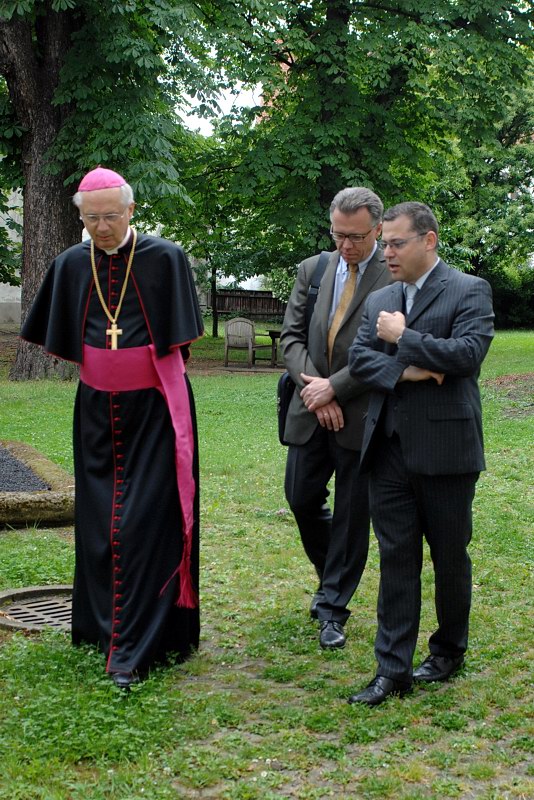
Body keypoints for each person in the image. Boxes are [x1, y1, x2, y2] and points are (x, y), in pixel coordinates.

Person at [21, 167, 204, 689]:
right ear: (81, 216)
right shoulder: (70, 263)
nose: (102, 227)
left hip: (155, 410)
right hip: (96, 412)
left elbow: (177, 341)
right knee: (100, 518)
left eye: (111, 216)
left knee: (147, 521)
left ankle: (140, 645)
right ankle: (99, 627)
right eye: (91, 218)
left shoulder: (165, 258)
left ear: (131, 211)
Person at [347, 201, 494, 706]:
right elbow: (360, 359)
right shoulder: (381, 297)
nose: (386, 252)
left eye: (396, 243)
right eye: (384, 243)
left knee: (449, 556)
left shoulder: (469, 289)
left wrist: (402, 337)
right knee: (396, 558)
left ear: (428, 240)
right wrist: (409, 370)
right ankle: (392, 670)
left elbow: (467, 355)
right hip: (387, 448)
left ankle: (449, 650)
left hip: (446, 450)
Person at [280, 187, 391, 649]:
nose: (346, 245)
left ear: (378, 230)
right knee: (300, 497)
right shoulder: (314, 269)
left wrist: (337, 388)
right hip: (310, 408)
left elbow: (387, 351)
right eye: (338, 235)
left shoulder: (394, 275)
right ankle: (332, 577)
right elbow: (291, 338)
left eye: (356, 237)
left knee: (350, 514)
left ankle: (332, 608)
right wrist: (316, 390)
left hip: (361, 413)